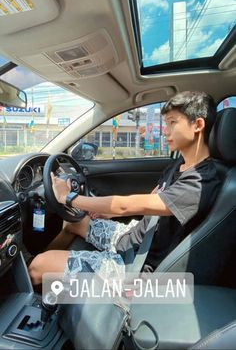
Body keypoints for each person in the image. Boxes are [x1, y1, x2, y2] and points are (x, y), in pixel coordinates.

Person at [28, 91, 221, 285]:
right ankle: (46, 282)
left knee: (38, 265)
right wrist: (107, 215)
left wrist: (67, 197)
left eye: (172, 122)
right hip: (133, 237)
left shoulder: (201, 181)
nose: (165, 131)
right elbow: (152, 199)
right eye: (166, 123)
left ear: (198, 125)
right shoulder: (179, 164)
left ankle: (36, 286)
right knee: (73, 223)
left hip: (137, 265)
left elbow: (125, 206)